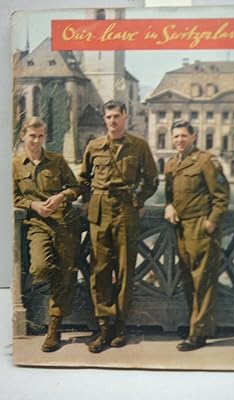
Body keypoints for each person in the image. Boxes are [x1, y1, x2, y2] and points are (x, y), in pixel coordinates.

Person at [78, 100, 158, 353]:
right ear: (104, 120)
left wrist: (137, 200)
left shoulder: (139, 146)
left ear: (125, 117)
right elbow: (83, 180)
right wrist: (87, 202)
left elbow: (152, 180)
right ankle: (103, 327)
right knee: (99, 269)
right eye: (108, 117)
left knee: (125, 269)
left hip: (125, 211)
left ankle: (120, 325)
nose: (112, 121)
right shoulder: (94, 147)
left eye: (116, 116)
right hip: (100, 211)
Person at [13, 117, 81, 352]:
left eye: (41, 136)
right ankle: (56, 299)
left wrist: (62, 196)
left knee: (65, 274)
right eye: (32, 136)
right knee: (40, 268)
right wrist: (33, 206)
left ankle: (54, 328)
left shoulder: (57, 161)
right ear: (23, 136)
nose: (36, 140)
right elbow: (12, 196)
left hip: (64, 224)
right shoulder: (15, 165)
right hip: (37, 225)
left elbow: (76, 188)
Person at [164, 120, 230, 351]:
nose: (179, 140)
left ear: (194, 137)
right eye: (176, 136)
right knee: (188, 278)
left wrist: (211, 221)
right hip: (180, 227)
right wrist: (169, 205)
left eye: (183, 136)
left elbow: (221, 196)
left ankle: (197, 333)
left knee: (202, 280)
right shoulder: (172, 163)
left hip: (200, 227)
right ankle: (200, 325)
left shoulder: (206, 161)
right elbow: (169, 194)